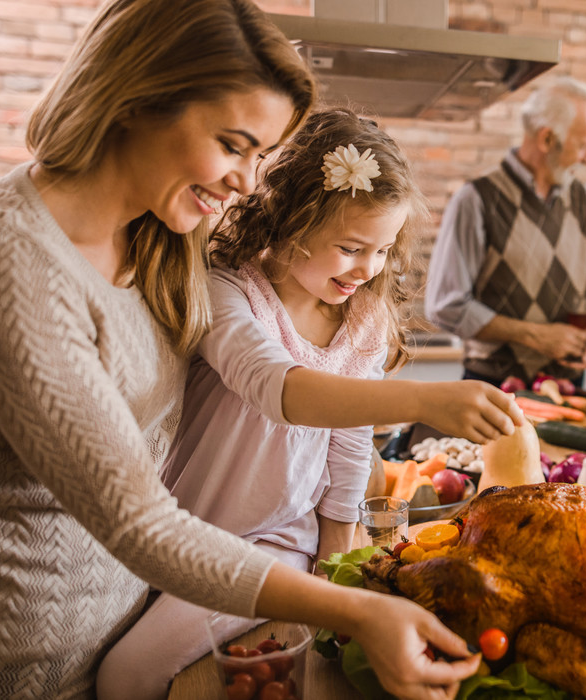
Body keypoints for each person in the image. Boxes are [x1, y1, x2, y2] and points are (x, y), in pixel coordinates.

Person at [0, 1, 513, 697]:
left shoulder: (158, 238)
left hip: (127, 616)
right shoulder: (1, 259)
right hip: (13, 663)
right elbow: (137, 518)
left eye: (261, 154)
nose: (249, 182)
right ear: (137, 98)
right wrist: (356, 606)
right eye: (234, 144)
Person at [95, 108, 442, 699]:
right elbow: (270, 383)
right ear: (294, 222)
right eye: (352, 247)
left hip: (280, 544)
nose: (369, 269)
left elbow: (352, 438)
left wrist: (338, 550)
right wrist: (425, 398)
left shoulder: (364, 320)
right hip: (185, 534)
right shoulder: (228, 292)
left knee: (126, 675)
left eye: (383, 252)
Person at [424, 77, 586, 387]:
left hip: (569, 388)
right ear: (546, 140)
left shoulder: (585, 202)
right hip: (493, 389)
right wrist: (536, 336)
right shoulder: (477, 200)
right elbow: (447, 306)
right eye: (584, 146)